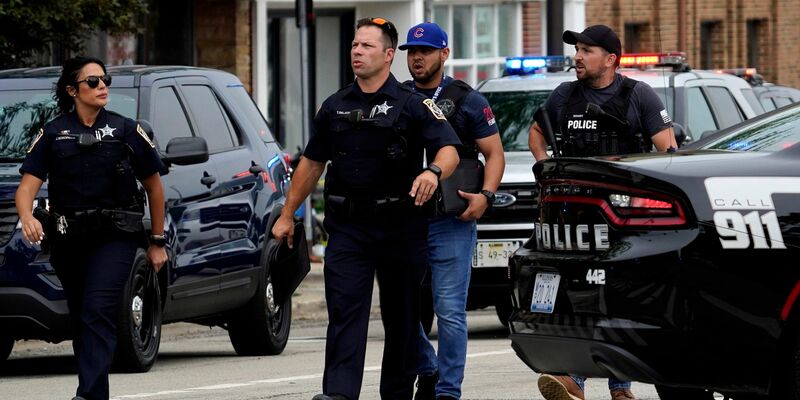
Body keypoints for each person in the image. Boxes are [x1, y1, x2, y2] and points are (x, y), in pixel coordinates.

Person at [271, 17, 460, 400]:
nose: (357, 51)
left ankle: (396, 394)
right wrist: (287, 214)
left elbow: (449, 149)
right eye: (355, 45)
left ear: (388, 55)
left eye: (367, 46)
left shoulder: (414, 104)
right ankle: (339, 394)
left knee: (402, 320)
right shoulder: (335, 106)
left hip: (401, 229)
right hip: (349, 230)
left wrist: (433, 172)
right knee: (345, 314)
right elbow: (311, 164)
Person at [527, 25, 677, 400]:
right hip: (573, 217)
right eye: (577, 49)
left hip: (622, 218)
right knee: (577, 297)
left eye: (587, 50)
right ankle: (584, 381)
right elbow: (536, 132)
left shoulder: (637, 95)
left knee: (616, 298)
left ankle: (612, 385)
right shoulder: (564, 94)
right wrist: (546, 167)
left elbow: (668, 150)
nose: (577, 56)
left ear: (610, 59)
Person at [15, 56, 168, 400]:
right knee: (83, 313)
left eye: (105, 80)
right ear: (73, 90)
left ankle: (89, 394)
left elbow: (155, 187)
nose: (102, 87)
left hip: (115, 237)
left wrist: (158, 241)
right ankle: (94, 390)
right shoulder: (54, 133)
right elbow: (26, 188)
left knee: (98, 309)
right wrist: (27, 216)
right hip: (69, 239)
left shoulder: (125, 130)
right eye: (93, 81)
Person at [398, 22, 505, 400]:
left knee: (450, 312)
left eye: (425, 51)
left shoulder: (467, 99)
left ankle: (447, 392)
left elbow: (494, 154)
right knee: (400, 309)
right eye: (412, 51)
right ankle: (428, 367)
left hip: (451, 220)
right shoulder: (398, 96)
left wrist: (486, 197)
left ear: (444, 54)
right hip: (404, 220)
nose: (417, 58)